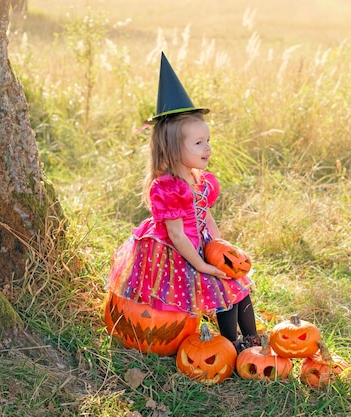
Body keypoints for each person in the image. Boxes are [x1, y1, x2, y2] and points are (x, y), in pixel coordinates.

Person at [106, 52, 260, 352]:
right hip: (174, 252)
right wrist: (202, 264)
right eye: (199, 143)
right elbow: (177, 234)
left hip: (200, 244)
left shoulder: (201, 180)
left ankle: (251, 341)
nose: (208, 149)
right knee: (215, 286)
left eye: (208, 140)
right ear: (174, 148)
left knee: (233, 284)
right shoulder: (167, 187)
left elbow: (206, 218)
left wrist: (220, 248)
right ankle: (230, 344)